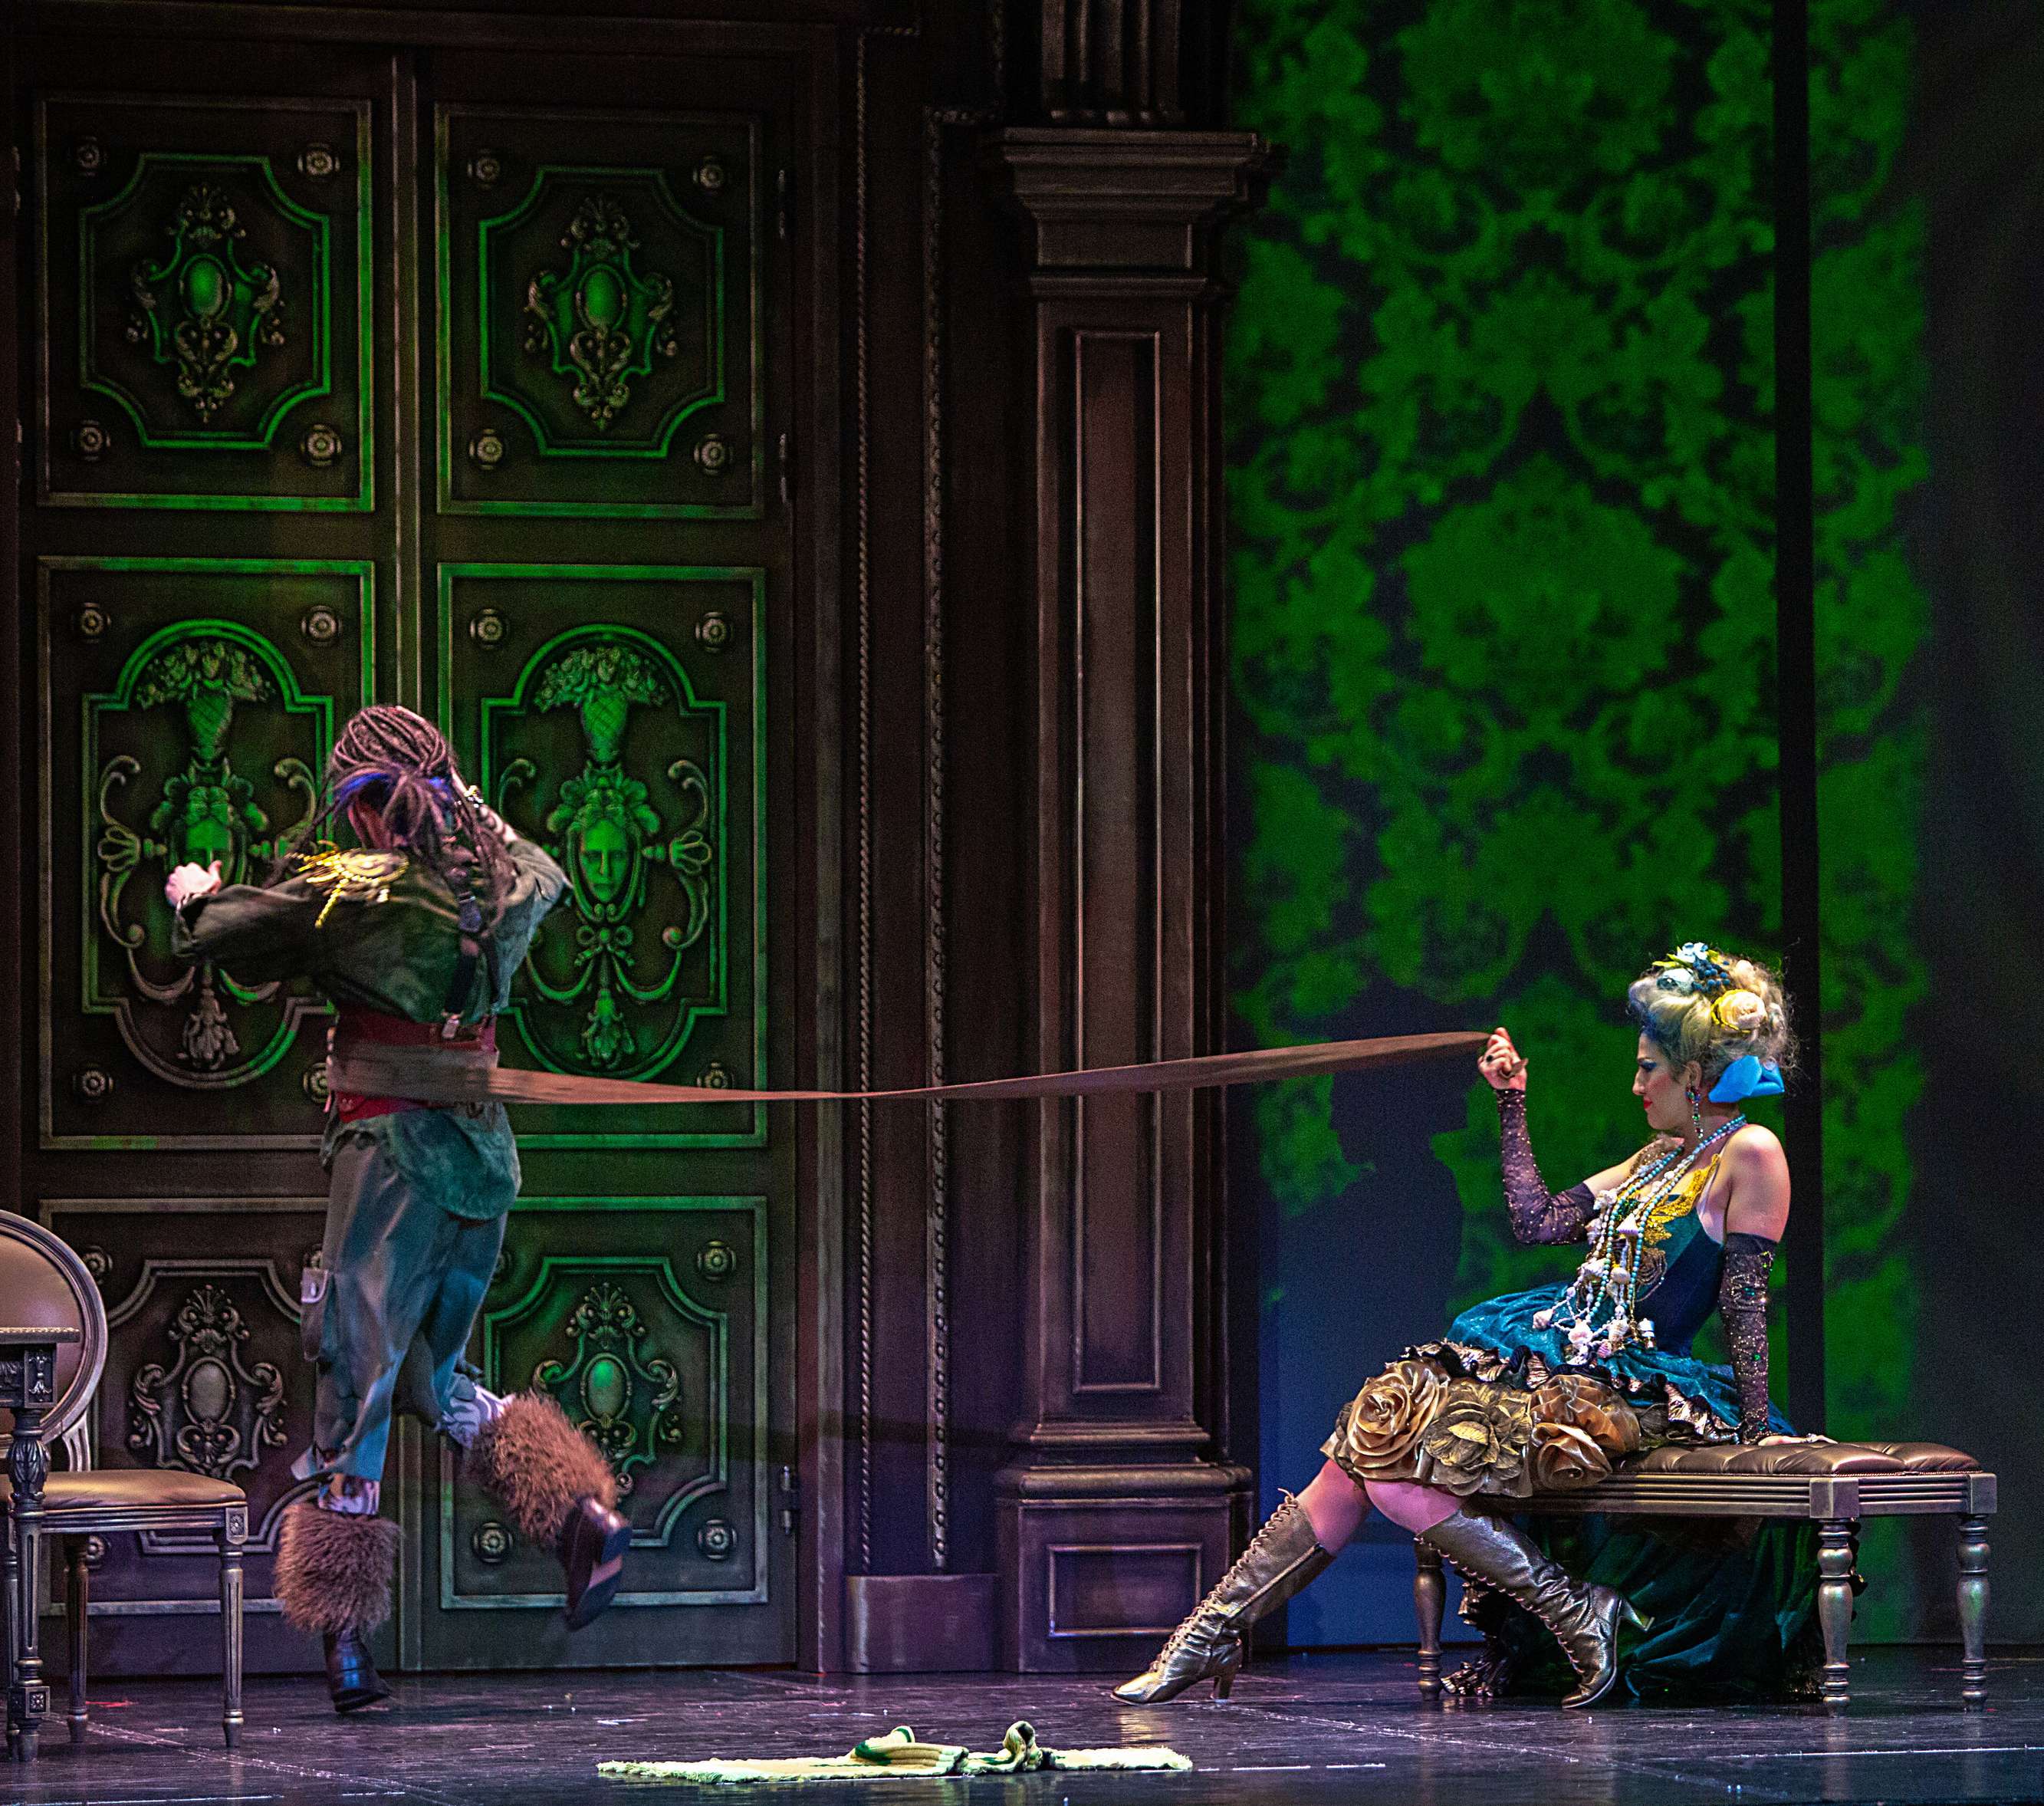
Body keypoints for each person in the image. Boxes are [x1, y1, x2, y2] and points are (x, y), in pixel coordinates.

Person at [1116, 942, 1813, 1709]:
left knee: (1379, 1447)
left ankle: (1213, 1640)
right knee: (1373, 1433)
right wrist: (1511, 1100)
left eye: (1649, 1068)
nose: (1636, 1084)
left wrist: (1755, 1431)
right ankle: (1208, 1636)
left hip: (1632, 1391)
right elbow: (1537, 1220)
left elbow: (1745, 1302)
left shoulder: (1751, 1151)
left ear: (1694, 1073)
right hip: (1562, 1358)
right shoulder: (1656, 1158)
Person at [166, 706, 631, 1713]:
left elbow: (226, 934)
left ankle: (344, 1644)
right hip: (482, 1164)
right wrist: (472, 809)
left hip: (393, 1164)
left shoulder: (359, 890)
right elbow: (545, 870)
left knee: (357, 1372)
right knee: (430, 1373)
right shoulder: (505, 884)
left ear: (367, 805)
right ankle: (578, 1516)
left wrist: (194, 894)